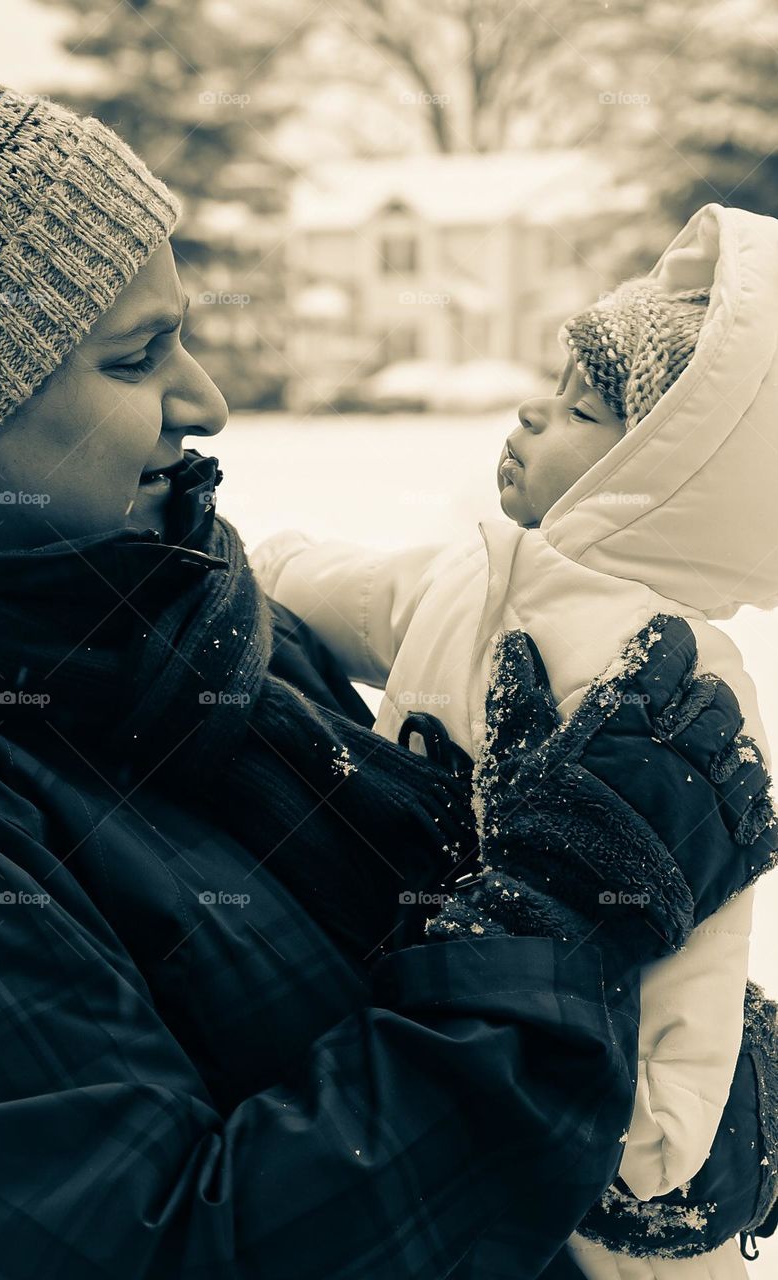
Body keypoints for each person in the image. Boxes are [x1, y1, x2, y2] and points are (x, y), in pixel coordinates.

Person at [0, 51, 772, 1280]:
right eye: (132, 356)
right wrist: (570, 914)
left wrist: (699, 1084)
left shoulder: (203, 633)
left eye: (184, 338)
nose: (206, 399)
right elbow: (193, 1248)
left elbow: (434, 966)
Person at [251, 205, 778, 1276]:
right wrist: (232, 555)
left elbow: (695, 931)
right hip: (454, 1014)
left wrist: (656, 1141)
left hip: (607, 1126)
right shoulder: (477, 571)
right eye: (553, 387)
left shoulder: (677, 672)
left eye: (582, 408)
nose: (533, 415)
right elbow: (333, 585)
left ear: (661, 476)